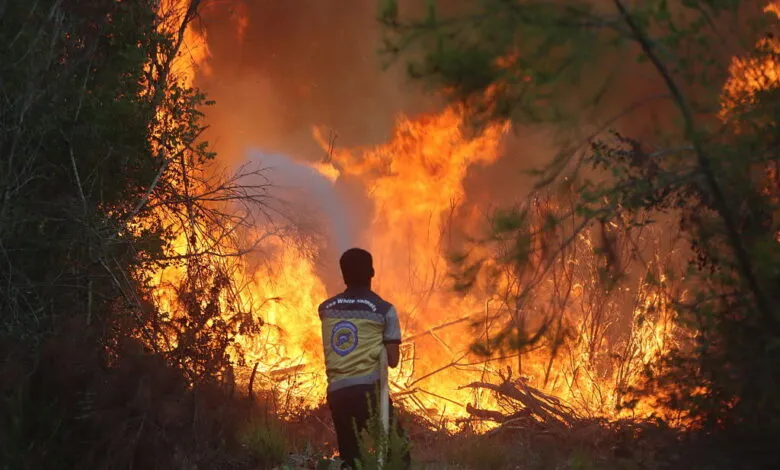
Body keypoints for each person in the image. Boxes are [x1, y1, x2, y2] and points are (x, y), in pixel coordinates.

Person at [318, 248, 411, 469]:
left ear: (343, 275)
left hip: (337, 393)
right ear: (372, 272)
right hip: (368, 392)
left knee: (351, 458)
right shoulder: (384, 310)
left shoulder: (325, 309)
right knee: (398, 451)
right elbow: (392, 359)